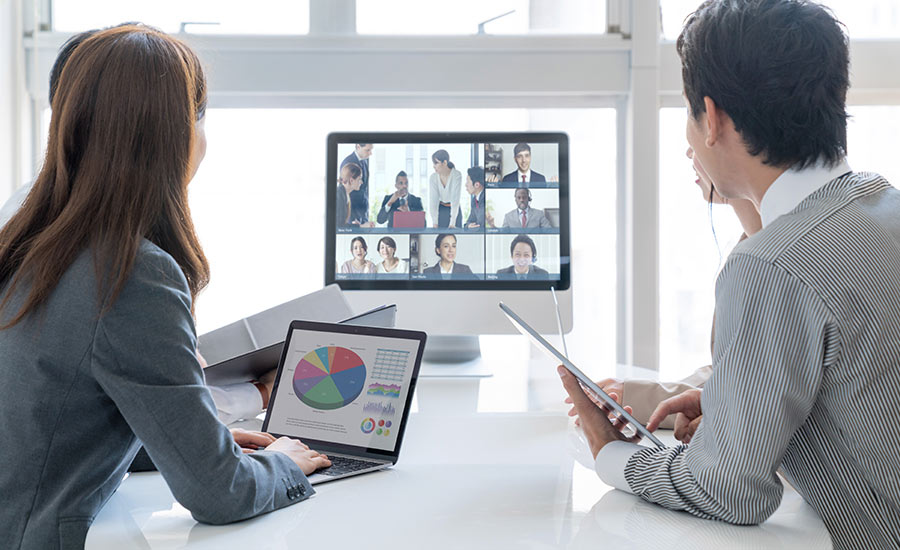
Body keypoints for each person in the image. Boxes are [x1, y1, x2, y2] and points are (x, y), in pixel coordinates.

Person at [560, 2, 900, 548]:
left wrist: (610, 455)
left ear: (712, 118)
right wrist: (732, 398)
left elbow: (728, 491)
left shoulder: (771, 265)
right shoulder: (884, 204)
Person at [0, 25, 331, 550]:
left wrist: (188, 440)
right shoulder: (130, 273)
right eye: (200, 114)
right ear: (172, 134)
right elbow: (219, 495)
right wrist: (282, 464)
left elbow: (55, 411)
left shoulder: (30, 238)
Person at [574, 146, 763, 431]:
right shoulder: (748, 244)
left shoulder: (773, 258)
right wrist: (633, 396)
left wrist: (609, 455)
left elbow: (755, 389)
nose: (689, 152)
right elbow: (737, 370)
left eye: (695, 125)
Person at [428, 149, 462, 228]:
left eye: (436, 163)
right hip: (441, 210)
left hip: (455, 210)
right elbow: (433, 200)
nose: (434, 166)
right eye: (433, 163)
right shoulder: (433, 177)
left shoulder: (456, 175)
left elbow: (455, 199)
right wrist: (434, 222)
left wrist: (452, 223)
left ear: (445, 163)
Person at [340, 143, 373, 224]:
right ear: (358, 147)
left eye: (371, 150)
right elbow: (347, 191)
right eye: (367, 150)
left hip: (362, 212)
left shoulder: (364, 162)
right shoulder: (348, 162)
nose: (370, 153)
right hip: (352, 214)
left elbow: (364, 189)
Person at [336, 163, 374, 228]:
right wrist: (361, 226)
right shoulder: (339, 194)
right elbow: (339, 226)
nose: (361, 182)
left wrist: (355, 226)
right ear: (351, 180)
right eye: (359, 179)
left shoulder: (345, 194)